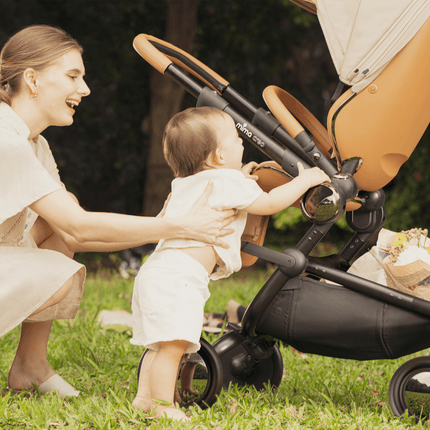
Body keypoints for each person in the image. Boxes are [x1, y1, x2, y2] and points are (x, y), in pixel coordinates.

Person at [0, 25, 238, 399]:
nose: (85, 89)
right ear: (32, 79)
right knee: (59, 270)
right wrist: (179, 226)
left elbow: (70, 225)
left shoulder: (33, 143)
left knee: (57, 222)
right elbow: (81, 230)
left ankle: (30, 366)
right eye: (72, 76)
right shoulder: (5, 140)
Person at [131, 106, 330, 421]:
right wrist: (304, 180)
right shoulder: (227, 180)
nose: (242, 143)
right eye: (236, 139)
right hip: (179, 277)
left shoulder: (184, 184)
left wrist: (240, 178)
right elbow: (268, 203)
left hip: (158, 271)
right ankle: (162, 405)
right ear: (218, 157)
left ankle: (145, 398)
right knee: (174, 344)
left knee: (162, 344)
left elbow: (218, 195)